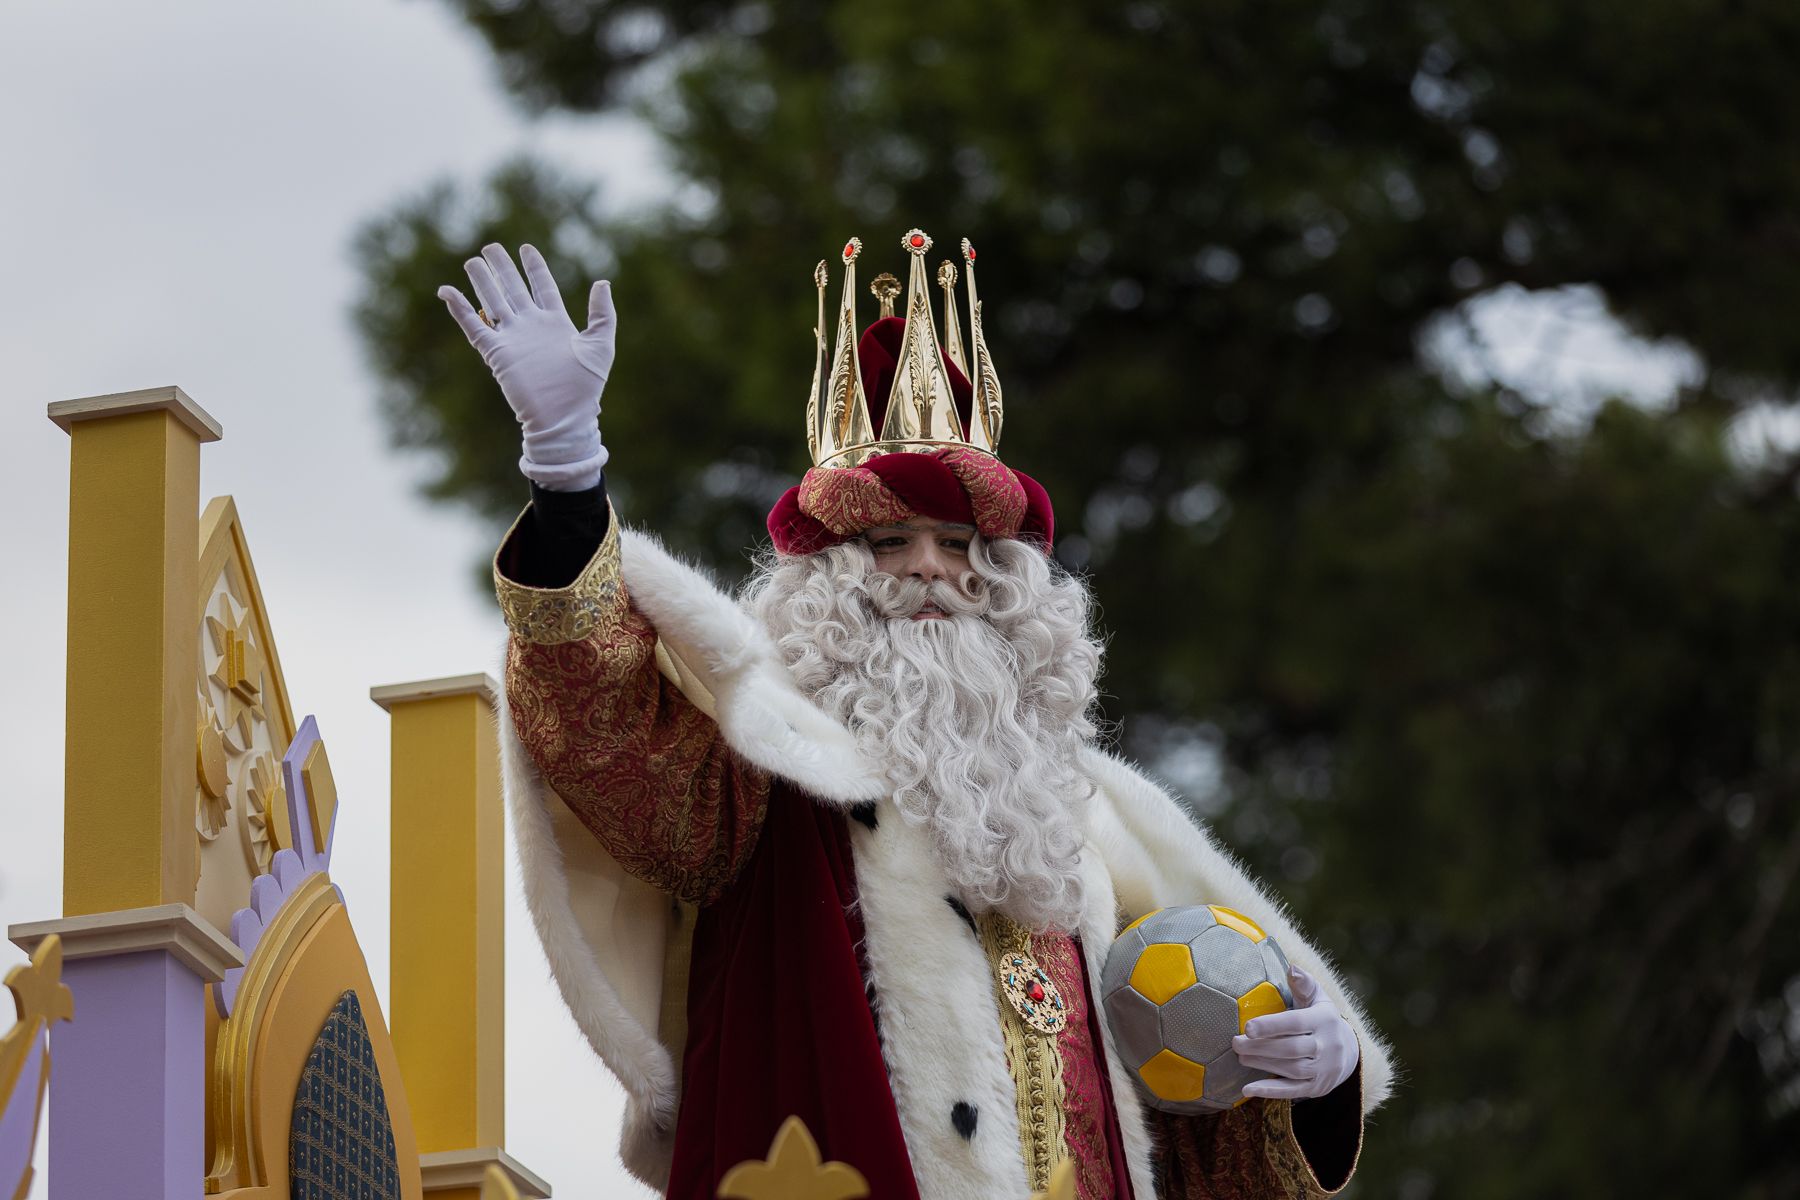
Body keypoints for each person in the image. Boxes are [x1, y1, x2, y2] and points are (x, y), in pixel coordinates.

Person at [437, 234, 1393, 1200]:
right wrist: (566, 475)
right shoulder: (767, 769)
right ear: (830, 578)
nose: (931, 568)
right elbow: (607, 739)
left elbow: (1179, 1106)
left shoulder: (1092, 816)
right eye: (890, 542)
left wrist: (1307, 1078)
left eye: (958, 544)